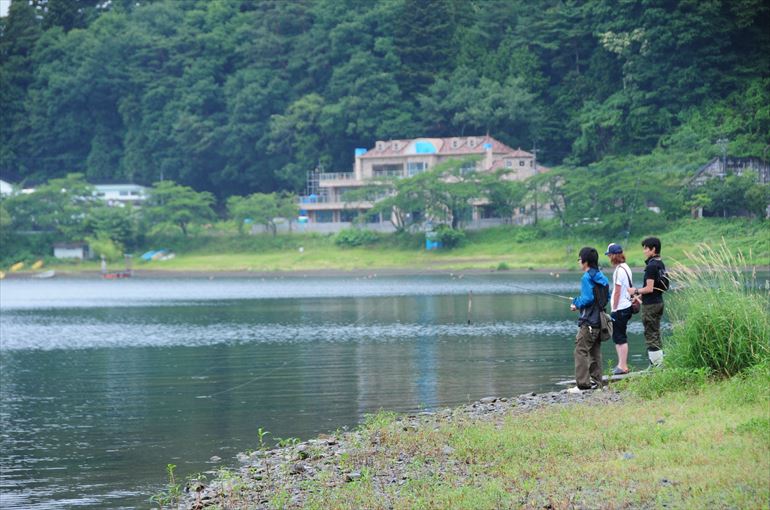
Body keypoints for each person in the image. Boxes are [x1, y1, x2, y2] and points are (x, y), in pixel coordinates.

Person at [567, 247, 610, 393]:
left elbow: (588, 298)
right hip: (600, 321)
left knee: (580, 350)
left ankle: (583, 385)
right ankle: (597, 384)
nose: (579, 262)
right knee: (595, 351)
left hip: (589, 322)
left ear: (585, 261)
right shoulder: (602, 277)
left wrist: (576, 303)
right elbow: (606, 298)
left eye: (579, 259)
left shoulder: (586, 277)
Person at [628, 237, 666, 367]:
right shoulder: (660, 263)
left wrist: (635, 290)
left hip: (651, 306)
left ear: (653, 249)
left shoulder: (651, 266)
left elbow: (649, 288)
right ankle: (657, 363)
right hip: (658, 302)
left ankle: (656, 366)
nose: (644, 251)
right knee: (655, 332)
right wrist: (639, 297)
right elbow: (656, 288)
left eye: (646, 248)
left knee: (650, 334)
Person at [605, 243, 638, 375]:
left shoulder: (619, 270)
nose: (609, 258)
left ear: (614, 256)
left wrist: (614, 308)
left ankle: (623, 366)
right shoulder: (626, 267)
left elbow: (617, 291)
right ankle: (621, 364)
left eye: (609, 255)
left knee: (620, 337)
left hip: (620, 308)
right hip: (626, 307)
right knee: (619, 336)